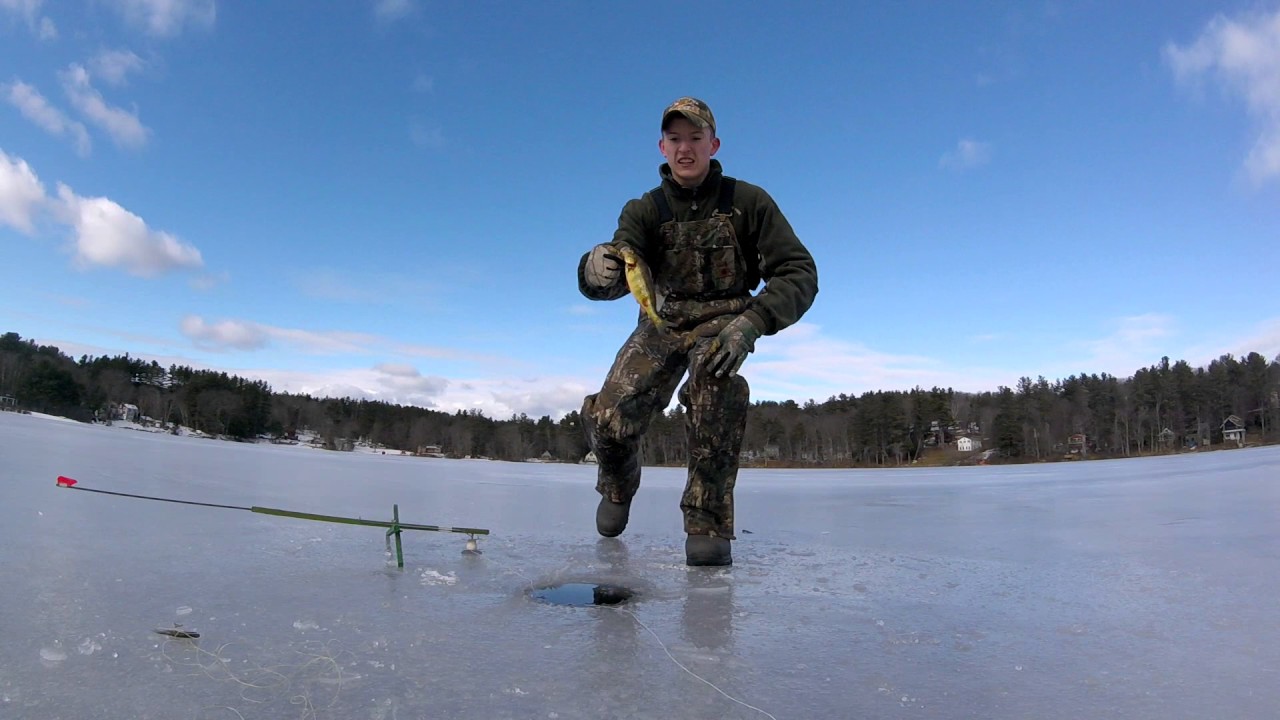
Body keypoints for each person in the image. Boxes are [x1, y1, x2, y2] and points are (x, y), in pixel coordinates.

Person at [576, 97, 819, 567]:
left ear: (714, 143)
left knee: (715, 394)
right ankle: (618, 484)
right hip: (661, 322)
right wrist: (595, 273)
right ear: (662, 147)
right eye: (675, 139)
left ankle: (706, 521)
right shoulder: (643, 209)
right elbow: (624, 264)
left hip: (723, 324)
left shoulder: (749, 203)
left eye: (695, 138)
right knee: (609, 417)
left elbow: (798, 272)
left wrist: (752, 323)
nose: (685, 148)